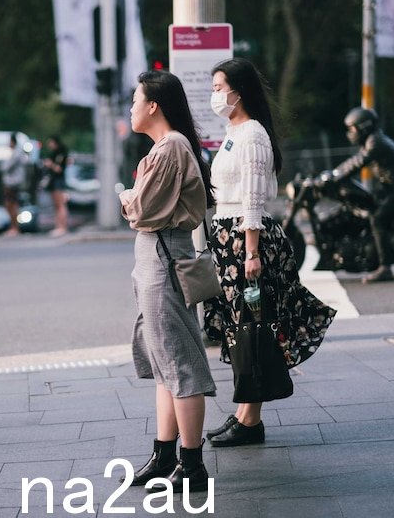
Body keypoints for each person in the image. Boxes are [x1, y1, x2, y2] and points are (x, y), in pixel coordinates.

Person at [203, 58, 336, 447]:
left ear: (237, 92)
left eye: (218, 88)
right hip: (228, 238)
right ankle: (245, 413)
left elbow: (253, 200)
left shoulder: (253, 136)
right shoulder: (233, 132)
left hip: (247, 241)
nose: (214, 96)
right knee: (240, 327)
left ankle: (251, 420)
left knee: (253, 327)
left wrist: (252, 252)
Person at [118, 70, 217, 493]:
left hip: (163, 257)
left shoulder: (171, 147)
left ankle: (191, 465)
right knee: (164, 364)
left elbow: (141, 212)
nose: (131, 107)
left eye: (135, 100)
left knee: (179, 363)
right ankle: (165, 455)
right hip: (157, 258)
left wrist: (125, 196)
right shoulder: (166, 147)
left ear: (153, 105)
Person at [330, 107, 394, 283]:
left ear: (364, 127)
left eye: (353, 129)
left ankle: (385, 267)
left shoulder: (375, 142)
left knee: (377, 219)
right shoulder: (373, 139)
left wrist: (335, 176)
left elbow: (359, 161)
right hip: (393, 189)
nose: (351, 133)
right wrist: (333, 174)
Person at [0, 132, 27, 236]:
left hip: (13, 182)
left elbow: (6, 167)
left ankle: (14, 227)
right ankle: (13, 227)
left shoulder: (17, 153)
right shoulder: (17, 152)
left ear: (13, 142)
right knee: (9, 204)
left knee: (11, 204)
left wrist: (2, 164)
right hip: (13, 182)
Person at [42, 135, 69, 237]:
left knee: (60, 204)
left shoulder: (61, 154)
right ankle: (58, 226)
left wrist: (50, 164)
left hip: (58, 180)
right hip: (54, 181)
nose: (49, 145)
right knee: (57, 205)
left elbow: (59, 169)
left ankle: (62, 227)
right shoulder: (54, 154)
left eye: (51, 142)